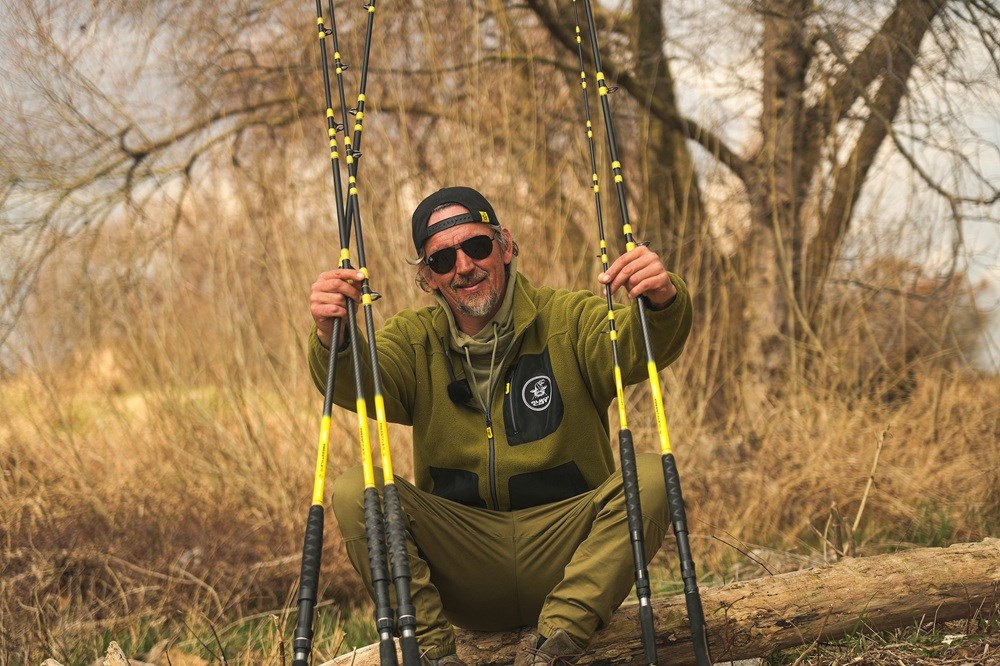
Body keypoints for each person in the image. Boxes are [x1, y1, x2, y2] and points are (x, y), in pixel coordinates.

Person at [308, 186, 692, 665]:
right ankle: (431, 652)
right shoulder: (413, 340)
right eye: (443, 259)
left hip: (569, 555)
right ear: (427, 278)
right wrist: (333, 335)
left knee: (653, 474)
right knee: (355, 488)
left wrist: (659, 299)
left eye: (476, 246)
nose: (464, 266)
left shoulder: (568, 318)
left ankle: (555, 647)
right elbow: (362, 380)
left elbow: (637, 346)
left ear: (506, 246)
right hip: (466, 566)